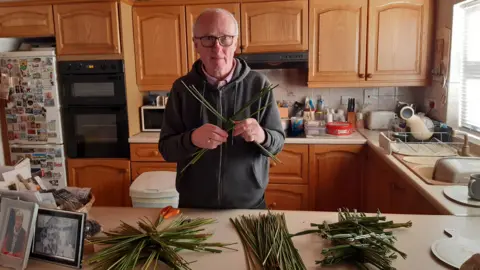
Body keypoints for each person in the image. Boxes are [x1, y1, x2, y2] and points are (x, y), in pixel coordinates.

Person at [159, 8, 285, 210]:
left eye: (225, 38)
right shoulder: (182, 88)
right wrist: (192, 139)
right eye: (208, 38)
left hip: (249, 205)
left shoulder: (259, 85)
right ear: (196, 44)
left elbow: (277, 144)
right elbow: (166, 150)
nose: (217, 48)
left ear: (235, 42)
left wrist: (262, 135)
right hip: (194, 206)